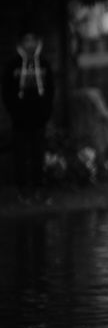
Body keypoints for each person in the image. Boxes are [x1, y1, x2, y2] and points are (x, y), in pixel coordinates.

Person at [2, 23, 55, 201]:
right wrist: (14, 112)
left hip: (39, 119)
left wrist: (45, 113)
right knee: (21, 155)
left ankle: (39, 188)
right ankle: (23, 190)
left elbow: (50, 91)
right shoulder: (13, 65)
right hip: (20, 120)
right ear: (21, 43)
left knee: (38, 154)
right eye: (27, 40)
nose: (30, 44)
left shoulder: (44, 64)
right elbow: (7, 92)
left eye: (33, 40)